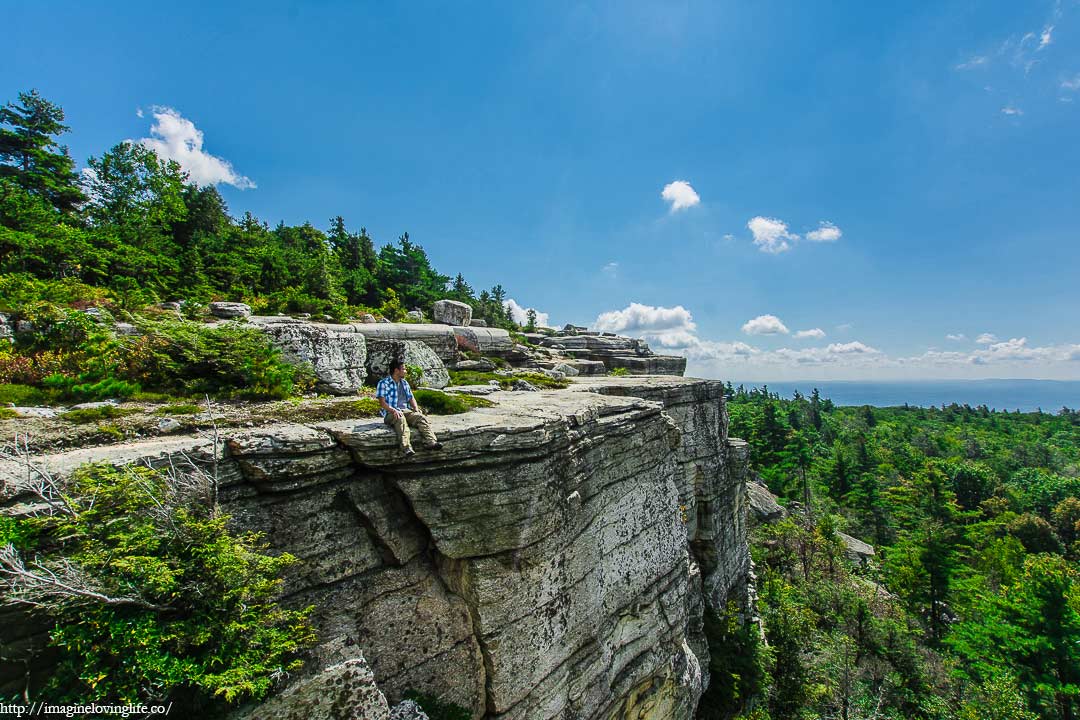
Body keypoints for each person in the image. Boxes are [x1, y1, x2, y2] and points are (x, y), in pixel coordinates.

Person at [375, 359, 443, 456]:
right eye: (404, 369)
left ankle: (431, 442)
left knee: (420, 417)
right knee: (400, 418)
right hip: (390, 413)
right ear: (396, 370)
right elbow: (382, 403)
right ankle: (406, 447)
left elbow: (411, 398)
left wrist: (416, 409)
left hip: (405, 411)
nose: (406, 371)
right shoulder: (383, 383)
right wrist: (393, 410)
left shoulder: (405, 383)